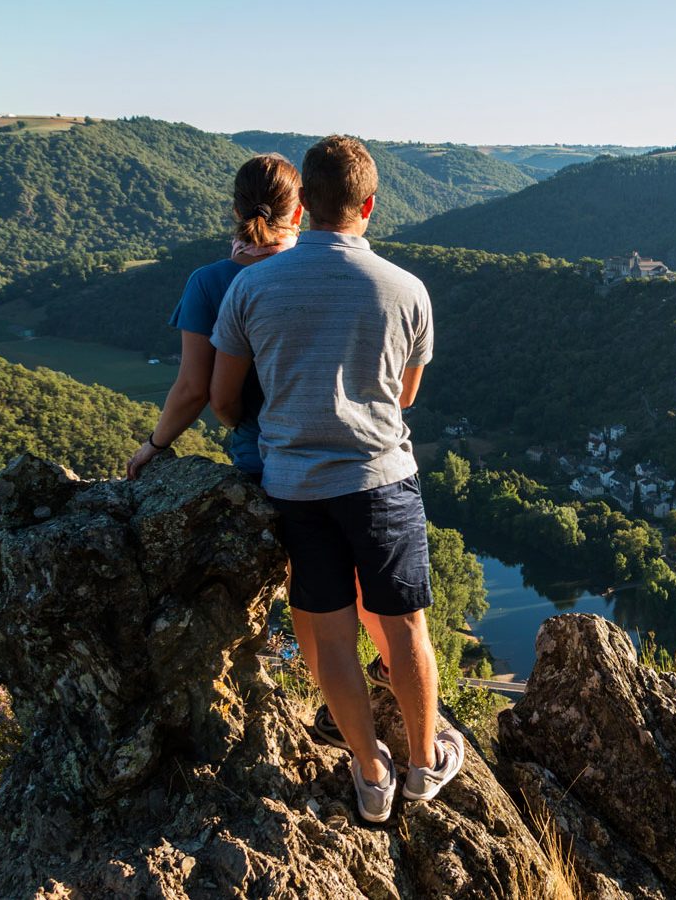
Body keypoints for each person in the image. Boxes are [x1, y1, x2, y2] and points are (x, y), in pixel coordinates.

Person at [209, 135, 463, 824]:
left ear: (306, 204)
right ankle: (422, 762)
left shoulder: (251, 287)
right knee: (406, 628)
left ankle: (371, 774)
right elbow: (405, 396)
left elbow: (225, 398)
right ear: (369, 205)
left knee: (329, 635)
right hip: (381, 481)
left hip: (295, 487)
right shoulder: (406, 290)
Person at [126, 153, 301, 482]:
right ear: (299, 211)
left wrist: (155, 444)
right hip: (340, 466)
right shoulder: (319, 275)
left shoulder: (208, 282)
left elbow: (194, 389)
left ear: (236, 210)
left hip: (263, 460)